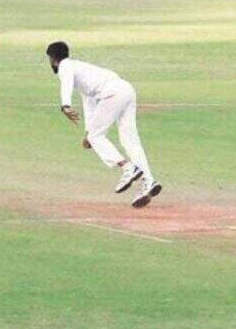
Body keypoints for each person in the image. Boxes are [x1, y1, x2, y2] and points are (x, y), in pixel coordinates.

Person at [47, 41, 162, 208]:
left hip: (113, 93)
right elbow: (89, 102)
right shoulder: (83, 71)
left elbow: (66, 83)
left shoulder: (65, 65)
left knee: (97, 137)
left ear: (52, 59)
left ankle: (127, 167)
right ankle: (149, 181)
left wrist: (65, 105)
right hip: (127, 89)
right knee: (129, 140)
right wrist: (88, 133)